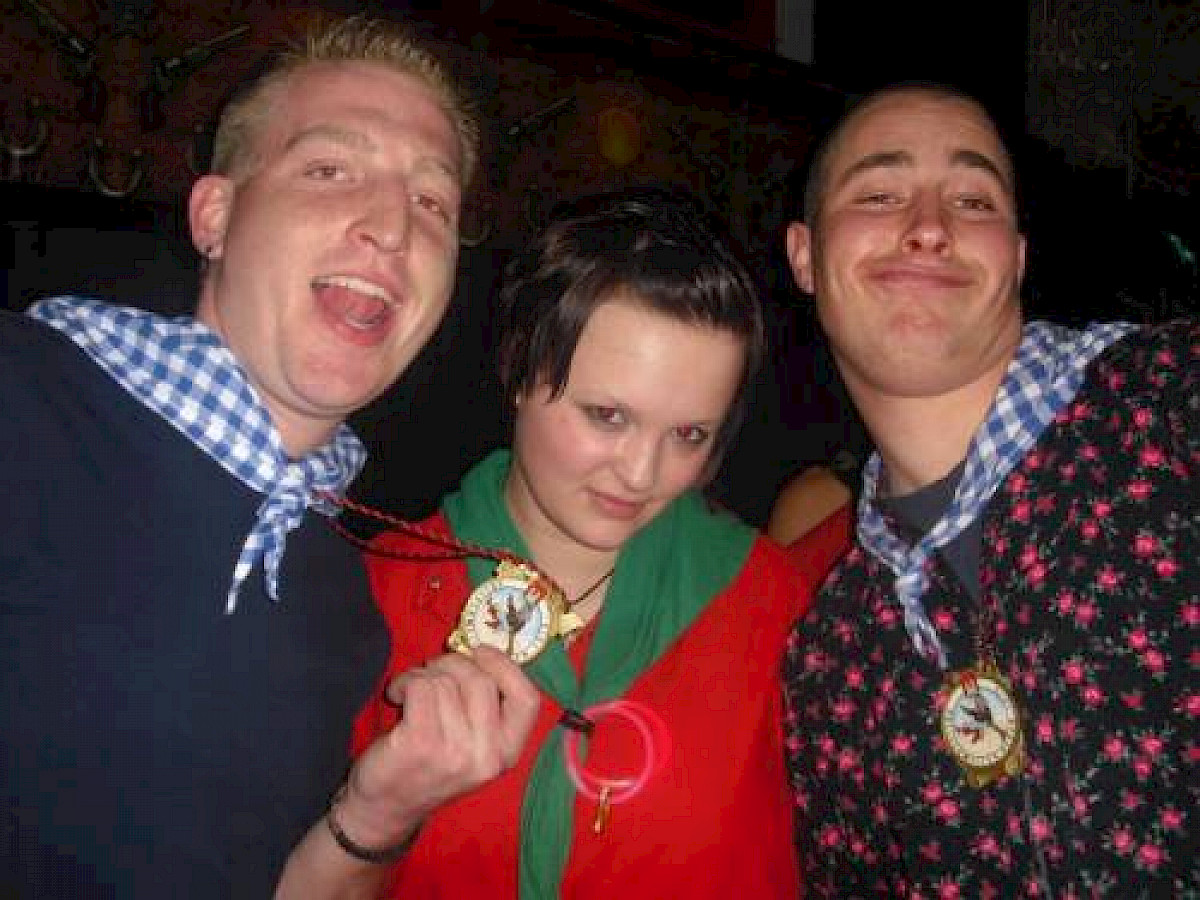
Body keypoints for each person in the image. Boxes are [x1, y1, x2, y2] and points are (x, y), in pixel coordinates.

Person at [0, 17, 540, 898]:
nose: (394, 228)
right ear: (215, 216)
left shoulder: (347, 608)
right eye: (330, 170)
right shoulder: (22, 397)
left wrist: (380, 812)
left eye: (432, 203)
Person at [780, 82, 1197, 897]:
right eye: (879, 194)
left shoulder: (1167, 408)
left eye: (973, 201)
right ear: (804, 256)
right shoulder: (831, 654)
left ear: (1017, 256)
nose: (930, 227)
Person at [355, 187, 817, 898]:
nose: (641, 473)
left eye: (689, 434)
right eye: (607, 415)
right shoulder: (376, 592)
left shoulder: (774, 606)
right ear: (519, 368)